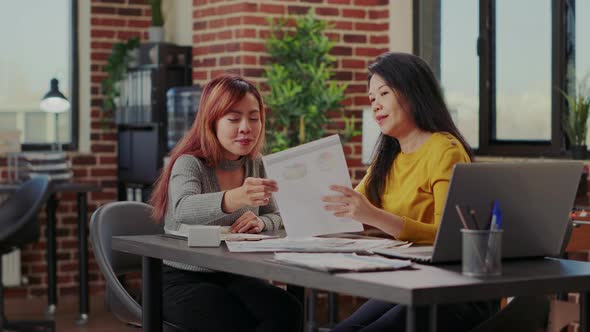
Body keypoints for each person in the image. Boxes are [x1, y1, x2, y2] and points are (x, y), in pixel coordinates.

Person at [323, 52, 498, 331]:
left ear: (412, 91)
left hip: (450, 289)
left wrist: (375, 216)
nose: (376, 105)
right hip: (408, 279)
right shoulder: (388, 157)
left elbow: (449, 236)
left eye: (383, 93)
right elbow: (345, 209)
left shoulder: (444, 149)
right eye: (372, 99)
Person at [149, 74, 302, 332]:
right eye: (233, 118)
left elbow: (280, 215)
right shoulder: (189, 163)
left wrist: (262, 221)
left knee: (288, 310)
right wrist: (237, 197)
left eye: (254, 118)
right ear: (212, 122)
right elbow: (183, 208)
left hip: (236, 273)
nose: (246, 127)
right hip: (182, 277)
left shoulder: (256, 164)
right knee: (230, 317)